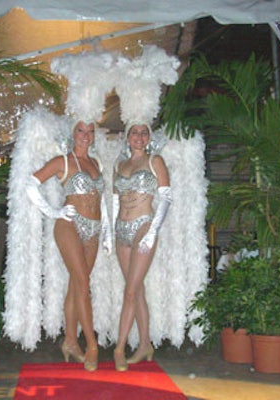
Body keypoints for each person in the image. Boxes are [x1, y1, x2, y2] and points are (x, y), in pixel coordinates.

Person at [26, 120, 112, 372]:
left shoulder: (96, 164)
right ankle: (92, 346)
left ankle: (71, 342)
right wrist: (53, 211)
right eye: (80, 130)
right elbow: (31, 183)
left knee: (76, 286)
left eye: (90, 131)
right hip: (69, 226)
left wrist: (105, 232)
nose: (85, 135)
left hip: (94, 230)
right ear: (73, 133)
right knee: (83, 285)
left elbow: (101, 201)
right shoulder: (62, 161)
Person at [112, 123, 172, 372]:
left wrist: (152, 233)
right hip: (121, 230)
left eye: (143, 132)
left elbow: (166, 198)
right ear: (127, 136)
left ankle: (119, 349)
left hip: (143, 227)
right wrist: (108, 233)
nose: (139, 137)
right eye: (134, 132)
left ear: (149, 137)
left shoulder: (155, 161)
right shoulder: (120, 165)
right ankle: (145, 344)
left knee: (130, 290)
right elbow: (116, 200)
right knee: (136, 292)